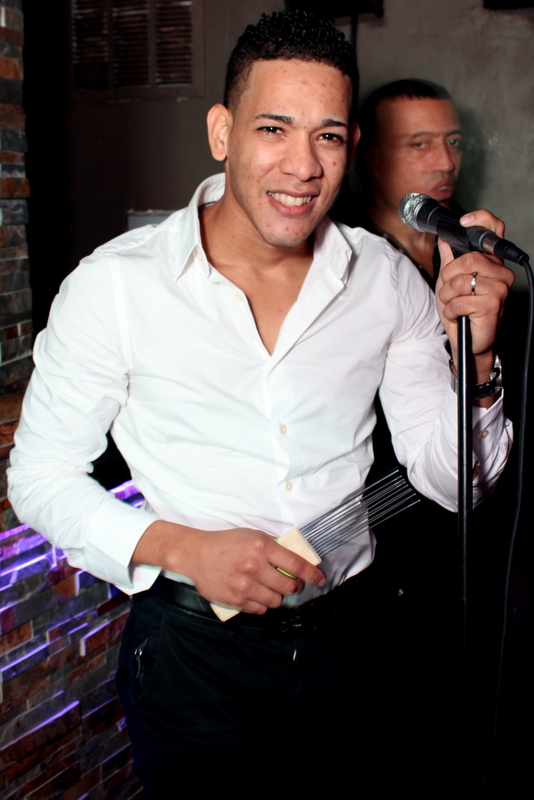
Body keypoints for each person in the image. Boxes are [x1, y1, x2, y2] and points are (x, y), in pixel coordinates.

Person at [8, 11, 513, 793]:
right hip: (195, 658)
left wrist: (474, 358)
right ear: (222, 132)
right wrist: (182, 548)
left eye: (328, 136)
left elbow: (454, 483)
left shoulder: (384, 278)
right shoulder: (114, 287)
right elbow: (39, 477)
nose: (303, 166)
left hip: (357, 640)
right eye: (274, 128)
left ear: (350, 146)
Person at [333, 79, 463, 289]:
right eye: (419, 144)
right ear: (372, 158)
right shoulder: (336, 247)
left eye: (453, 142)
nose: (447, 164)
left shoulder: (469, 234)